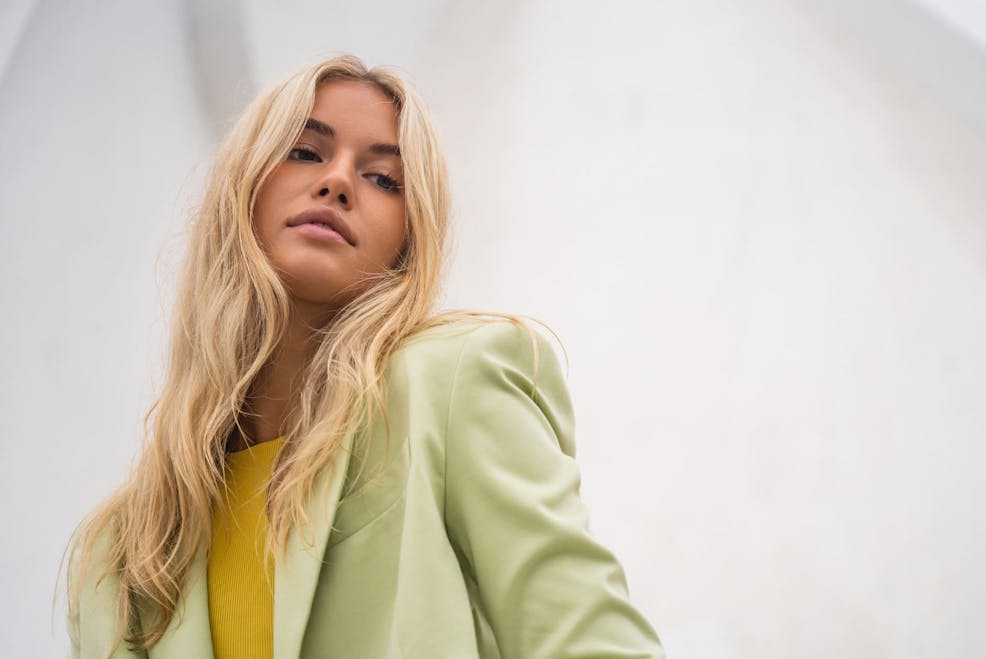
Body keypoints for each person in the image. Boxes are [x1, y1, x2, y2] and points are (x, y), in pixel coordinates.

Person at [60, 52, 665, 659]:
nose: (338, 181)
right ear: (241, 188)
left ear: (409, 239)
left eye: (384, 179)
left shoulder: (449, 385)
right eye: (304, 151)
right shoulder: (122, 551)